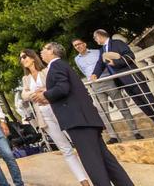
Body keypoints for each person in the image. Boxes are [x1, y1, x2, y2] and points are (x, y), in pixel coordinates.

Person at [31, 42, 134, 186]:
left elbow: (62, 88)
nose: (41, 52)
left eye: (44, 49)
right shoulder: (61, 65)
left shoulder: (56, 66)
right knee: (106, 160)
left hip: (78, 121)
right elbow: (69, 93)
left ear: (52, 51)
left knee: (92, 163)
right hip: (85, 119)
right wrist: (48, 97)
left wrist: (46, 95)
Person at [19, 49, 89, 186]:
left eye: (24, 56)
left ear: (33, 57)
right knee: (65, 149)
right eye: (20, 58)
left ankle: (95, 174)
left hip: (59, 110)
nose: (22, 59)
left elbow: (54, 87)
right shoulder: (25, 79)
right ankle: (84, 181)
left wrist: (43, 92)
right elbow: (24, 96)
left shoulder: (46, 71)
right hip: (44, 116)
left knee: (79, 144)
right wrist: (38, 92)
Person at [91, 29, 154, 137]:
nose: (95, 40)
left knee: (150, 102)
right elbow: (100, 64)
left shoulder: (117, 43)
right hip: (123, 82)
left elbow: (130, 55)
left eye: (95, 38)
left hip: (134, 78)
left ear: (99, 36)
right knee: (143, 105)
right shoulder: (102, 50)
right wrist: (95, 74)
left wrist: (116, 62)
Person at [71, 38, 142, 143]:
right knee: (103, 113)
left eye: (79, 44)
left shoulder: (98, 52)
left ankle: (136, 132)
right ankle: (114, 137)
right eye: (75, 46)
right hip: (95, 86)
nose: (78, 46)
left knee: (123, 107)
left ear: (84, 44)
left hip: (108, 81)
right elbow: (84, 71)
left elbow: (105, 64)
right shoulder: (77, 59)